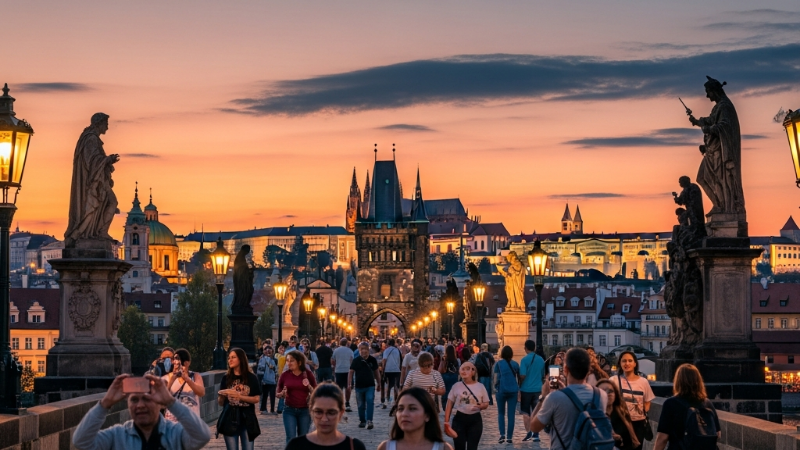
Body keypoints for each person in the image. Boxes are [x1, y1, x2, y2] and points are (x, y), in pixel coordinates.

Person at [73, 373, 210, 450]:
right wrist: (105, 404)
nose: (140, 405)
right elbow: (81, 442)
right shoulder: (118, 435)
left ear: (160, 404)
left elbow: (202, 436)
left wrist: (171, 402)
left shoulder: (174, 433)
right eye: (134, 400)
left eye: (146, 399)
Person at [531, 348, 610, 450]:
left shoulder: (554, 398)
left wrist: (543, 397)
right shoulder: (601, 395)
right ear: (588, 370)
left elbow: (534, 427)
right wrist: (567, 392)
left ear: (565, 370)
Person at [654, 364, 720, 450]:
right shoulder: (707, 403)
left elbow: (663, 438)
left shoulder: (671, 403)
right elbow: (718, 433)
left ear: (678, 381)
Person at [285, 383, 368, 450]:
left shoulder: (355, 447)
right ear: (311, 411)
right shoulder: (295, 446)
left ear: (341, 413)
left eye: (331, 413)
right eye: (319, 412)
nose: (324, 419)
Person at [378, 387, 454, 450]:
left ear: (427, 415)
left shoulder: (443, 448)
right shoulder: (386, 447)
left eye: (412, 409)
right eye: (400, 409)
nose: (404, 414)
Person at [217, 347, 262, 450]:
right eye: (229, 358)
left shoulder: (251, 377)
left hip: (247, 418)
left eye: (233, 357)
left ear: (240, 359)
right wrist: (221, 396)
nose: (230, 360)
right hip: (230, 418)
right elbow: (220, 403)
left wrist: (240, 397)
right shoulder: (226, 378)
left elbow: (256, 399)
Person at [610, 351, 655, 450]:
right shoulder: (614, 380)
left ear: (635, 363)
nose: (627, 363)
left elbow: (647, 400)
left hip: (638, 423)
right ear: (620, 363)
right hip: (620, 422)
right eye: (624, 361)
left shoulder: (643, 382)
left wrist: (642, 410)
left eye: (630, 361)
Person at [444, 362, 490, 450]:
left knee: (472, 447)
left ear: (473, 372)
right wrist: (446, 422)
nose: (464, 371)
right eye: (462, 369)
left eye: (467, 369)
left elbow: (486, 403)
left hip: (475, 420)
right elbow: (449, 403)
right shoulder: (456, 386)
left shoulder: (480, 386)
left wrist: (482, 406)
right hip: (459, 420)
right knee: (459, 447)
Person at [277, 350, 318, 442]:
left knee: (303, 438)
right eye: (287, 360)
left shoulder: (307, 373)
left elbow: (316, 391)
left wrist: (309, 387)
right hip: (289, 410)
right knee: (290, 437)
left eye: (292, 361)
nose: (288, 363)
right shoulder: (285, 375)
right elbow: (278, 392)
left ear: (299, 362)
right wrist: (282, 394)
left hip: (304, 410)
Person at [162, 348, 205, 421]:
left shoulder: (195, 376)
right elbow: (162, 398)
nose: (177, 364)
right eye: (175, 361)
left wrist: (187, 378)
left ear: (187, 363)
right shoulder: (168, 377)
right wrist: (173, 379)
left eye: (180, 361)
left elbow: (201, 392)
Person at [597, 379, 640, 450]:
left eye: (610, 391)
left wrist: (620, 438)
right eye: (602, 391)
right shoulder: (594, 415)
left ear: (615, 394)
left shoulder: (622, 412)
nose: (607, 394)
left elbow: (630, 438)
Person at [349, 342, 382, 429]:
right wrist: (349, 383)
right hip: (359, 386)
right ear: (359, 350)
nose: (364, 351)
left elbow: (376, 372)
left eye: (365, 349)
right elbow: (351, 372)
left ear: (368, 350)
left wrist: (379, 383)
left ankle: (369, 420)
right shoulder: (356, 360)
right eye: (362, 349)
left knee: (370, 401)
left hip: (370, 385)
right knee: (360, 404)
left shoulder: (372, 360)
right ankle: (362, 420)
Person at [518, 340, 545, 443]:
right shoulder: (541, 360)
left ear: (526, 348)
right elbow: (542, 375)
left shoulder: (524, 360)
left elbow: (523, 375)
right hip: (538, 389)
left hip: (526, 389)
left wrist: (520, 381)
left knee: (526, 412)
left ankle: (529, 432)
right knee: (536, 411)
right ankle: (536, 434)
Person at [493, 345, 520, 444]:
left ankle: (502, 435)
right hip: (513, 390)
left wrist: (495, 387)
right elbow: (519, 377)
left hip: (501, 390)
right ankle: (509, 437)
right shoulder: (515, 364)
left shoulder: (498, 364)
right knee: (511, 414)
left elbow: (495, 378)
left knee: (501, 413)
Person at [332, 338, 354, 412]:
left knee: (339, 388)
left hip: (338, 371)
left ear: (340, 343)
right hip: (347, 371)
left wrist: (336, 366)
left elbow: (332, 360)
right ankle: (347, 403)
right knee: (348, 387)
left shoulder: (336, 350)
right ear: (347, 343)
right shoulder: (350, 351)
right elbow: (352, 360)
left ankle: (339, 403)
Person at [257, 345, 279, 414]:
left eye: (270, 349)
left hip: (272, 380)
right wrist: (261, 379)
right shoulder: (262, 359)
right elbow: (260, 370)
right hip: (265, 380)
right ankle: (263, 409)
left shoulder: (275, 360)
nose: (268, 351)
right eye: (266, 349)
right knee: (264, 395)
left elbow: (276, 369)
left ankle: (272, 409)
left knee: (272, 395)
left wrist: (276, 374)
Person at [438, 344, 460, 411]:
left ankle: (445, 406)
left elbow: (440, 370)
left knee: (445, 391)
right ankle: (451, 405)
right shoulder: (456, 360)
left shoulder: (444, 359)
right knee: (452, 392)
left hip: (445, 376)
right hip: (454, 376)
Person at [382, 338, 402, 409]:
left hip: (388, 370)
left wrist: (383, 369)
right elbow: (400, 360)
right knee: (396, 386)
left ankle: (387, 401)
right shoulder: (397, 350)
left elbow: (384, 360)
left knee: (388, 386)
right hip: (397, 370)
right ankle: (396, 401)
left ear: (388, 343)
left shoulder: (386, 351)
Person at [276, 342, 288, 414]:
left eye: (283, 348)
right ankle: (280, 407)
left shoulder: (286, 357)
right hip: (280, 376)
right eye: (280, 348)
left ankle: (281, 407)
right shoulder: (276, 356)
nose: (282, 350)